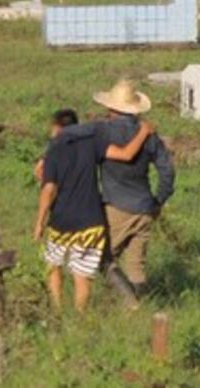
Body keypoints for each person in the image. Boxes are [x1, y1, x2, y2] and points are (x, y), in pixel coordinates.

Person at [33, 108, 155, 312]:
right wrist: (143, 132)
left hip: (61, 222)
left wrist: (39, 222)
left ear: (56, 127)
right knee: (82, 275)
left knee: (53, 266)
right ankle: (80, 316)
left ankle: (57, 310)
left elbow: (50, 189)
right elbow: (126, 154)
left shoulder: (54, 149)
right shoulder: (92, 143)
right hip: (90, 222)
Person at [67, 80, 176, 301]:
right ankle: (137, 312)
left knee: (99, 258)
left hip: (117, 207)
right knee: (136, 266)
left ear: (110, 108)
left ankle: (130, 303)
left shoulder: (101, 132)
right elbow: (167, 171)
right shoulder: (149, 134)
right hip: (145, 207)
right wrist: (158, 201)